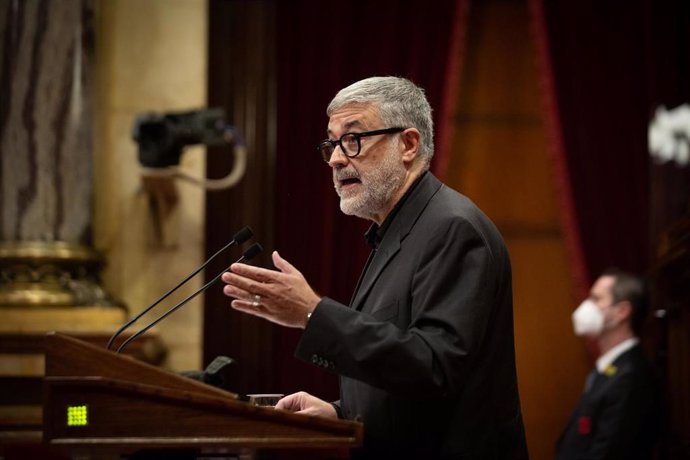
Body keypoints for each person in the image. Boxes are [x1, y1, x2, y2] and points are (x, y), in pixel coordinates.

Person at [221, 76, 528, 459]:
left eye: (354, 139)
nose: (335, 158)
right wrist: (342, 412)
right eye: (332, 143)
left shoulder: (452, 229)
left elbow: (435, 367)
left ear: (408, 144)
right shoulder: (394, 232)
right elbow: (404, 375)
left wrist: (313, 313)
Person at [556, 269, 660, 460]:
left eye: (596, 299)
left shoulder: (629, 376)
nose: (587, 306)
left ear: (622, 312)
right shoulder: (610, 366)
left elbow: (608, 452)